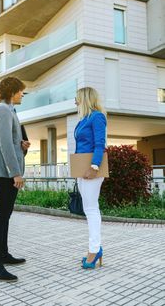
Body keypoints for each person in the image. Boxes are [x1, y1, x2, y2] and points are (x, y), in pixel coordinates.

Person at [0, 77, 31, 282]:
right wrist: (16, 173)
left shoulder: (9, 110)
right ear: (12, 91)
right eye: (21, 91)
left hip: (6, 172)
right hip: (5, 173)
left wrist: (21, 145)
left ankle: (3, 254)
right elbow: (4, 144)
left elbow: (11, 142)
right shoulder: (3, 110)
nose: (23, 94)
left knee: (4, 216)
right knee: (0, 216)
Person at [74, 87, 107, 269]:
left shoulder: (97, 117)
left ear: (85, 98)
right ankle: (95, 248)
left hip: (92, 169)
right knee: (89, 209)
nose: (75, 101)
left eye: (77, 98)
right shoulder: (83, 119)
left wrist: (94, 166)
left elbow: (99, 143)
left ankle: (94, 250)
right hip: (82, 169)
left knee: (92, 209)